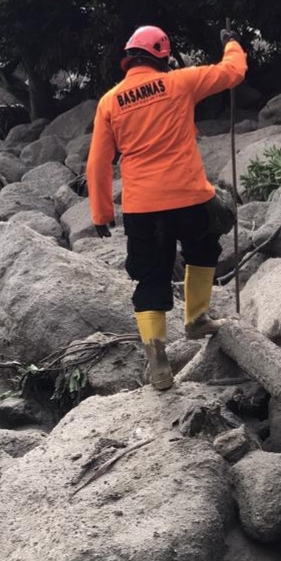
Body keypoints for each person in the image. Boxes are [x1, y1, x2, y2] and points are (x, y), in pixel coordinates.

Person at [86, 25, 247, 390]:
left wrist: (101, 213)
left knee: (150, 277)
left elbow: (98, 161)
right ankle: (197, 320)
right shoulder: (180, 82)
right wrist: (232, 42)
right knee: (203, 252)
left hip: (143, 206)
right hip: (189, 196)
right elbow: (233, 72)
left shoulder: (110, 101)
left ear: (129, 57)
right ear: (162, 54)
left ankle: (158, 362)